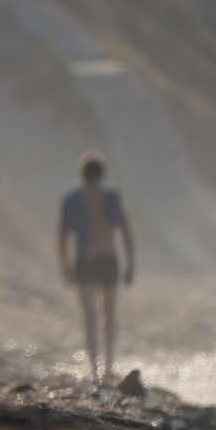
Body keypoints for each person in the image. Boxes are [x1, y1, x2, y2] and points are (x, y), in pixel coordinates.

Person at [58, 151, 135, 384]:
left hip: (85, 261)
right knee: (109, 315)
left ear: (82, 173)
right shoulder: (112, 194)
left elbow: (62, 236)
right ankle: (108, 365)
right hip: (109, 259)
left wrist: (65, 266)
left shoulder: (71, 197)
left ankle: (94, 370)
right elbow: (126, 230)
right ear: (102, 173)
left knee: (90, 316)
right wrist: (131, 264)